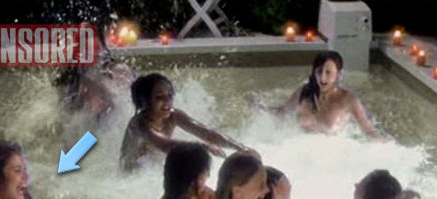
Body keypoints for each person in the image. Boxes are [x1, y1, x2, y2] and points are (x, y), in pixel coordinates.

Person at [120, 73, 250, 171]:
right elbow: (166, 145)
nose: (167, 101)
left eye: (170, 95)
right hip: (130, 176)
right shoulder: (139, 123)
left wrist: (240, 147)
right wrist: (203, 146)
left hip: (152, 172)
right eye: (159, 97)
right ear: (145, 100)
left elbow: (207, 133)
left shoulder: (174, 116)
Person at [251, 51, 384, 138]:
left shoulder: (348, 99)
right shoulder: (304, 92)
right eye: (319, 71)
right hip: (301, 150)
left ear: (338, 74)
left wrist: (388, 146)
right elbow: (281, 112)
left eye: (328, 72)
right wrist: (259, 107)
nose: (322, 78)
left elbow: (369, 130)